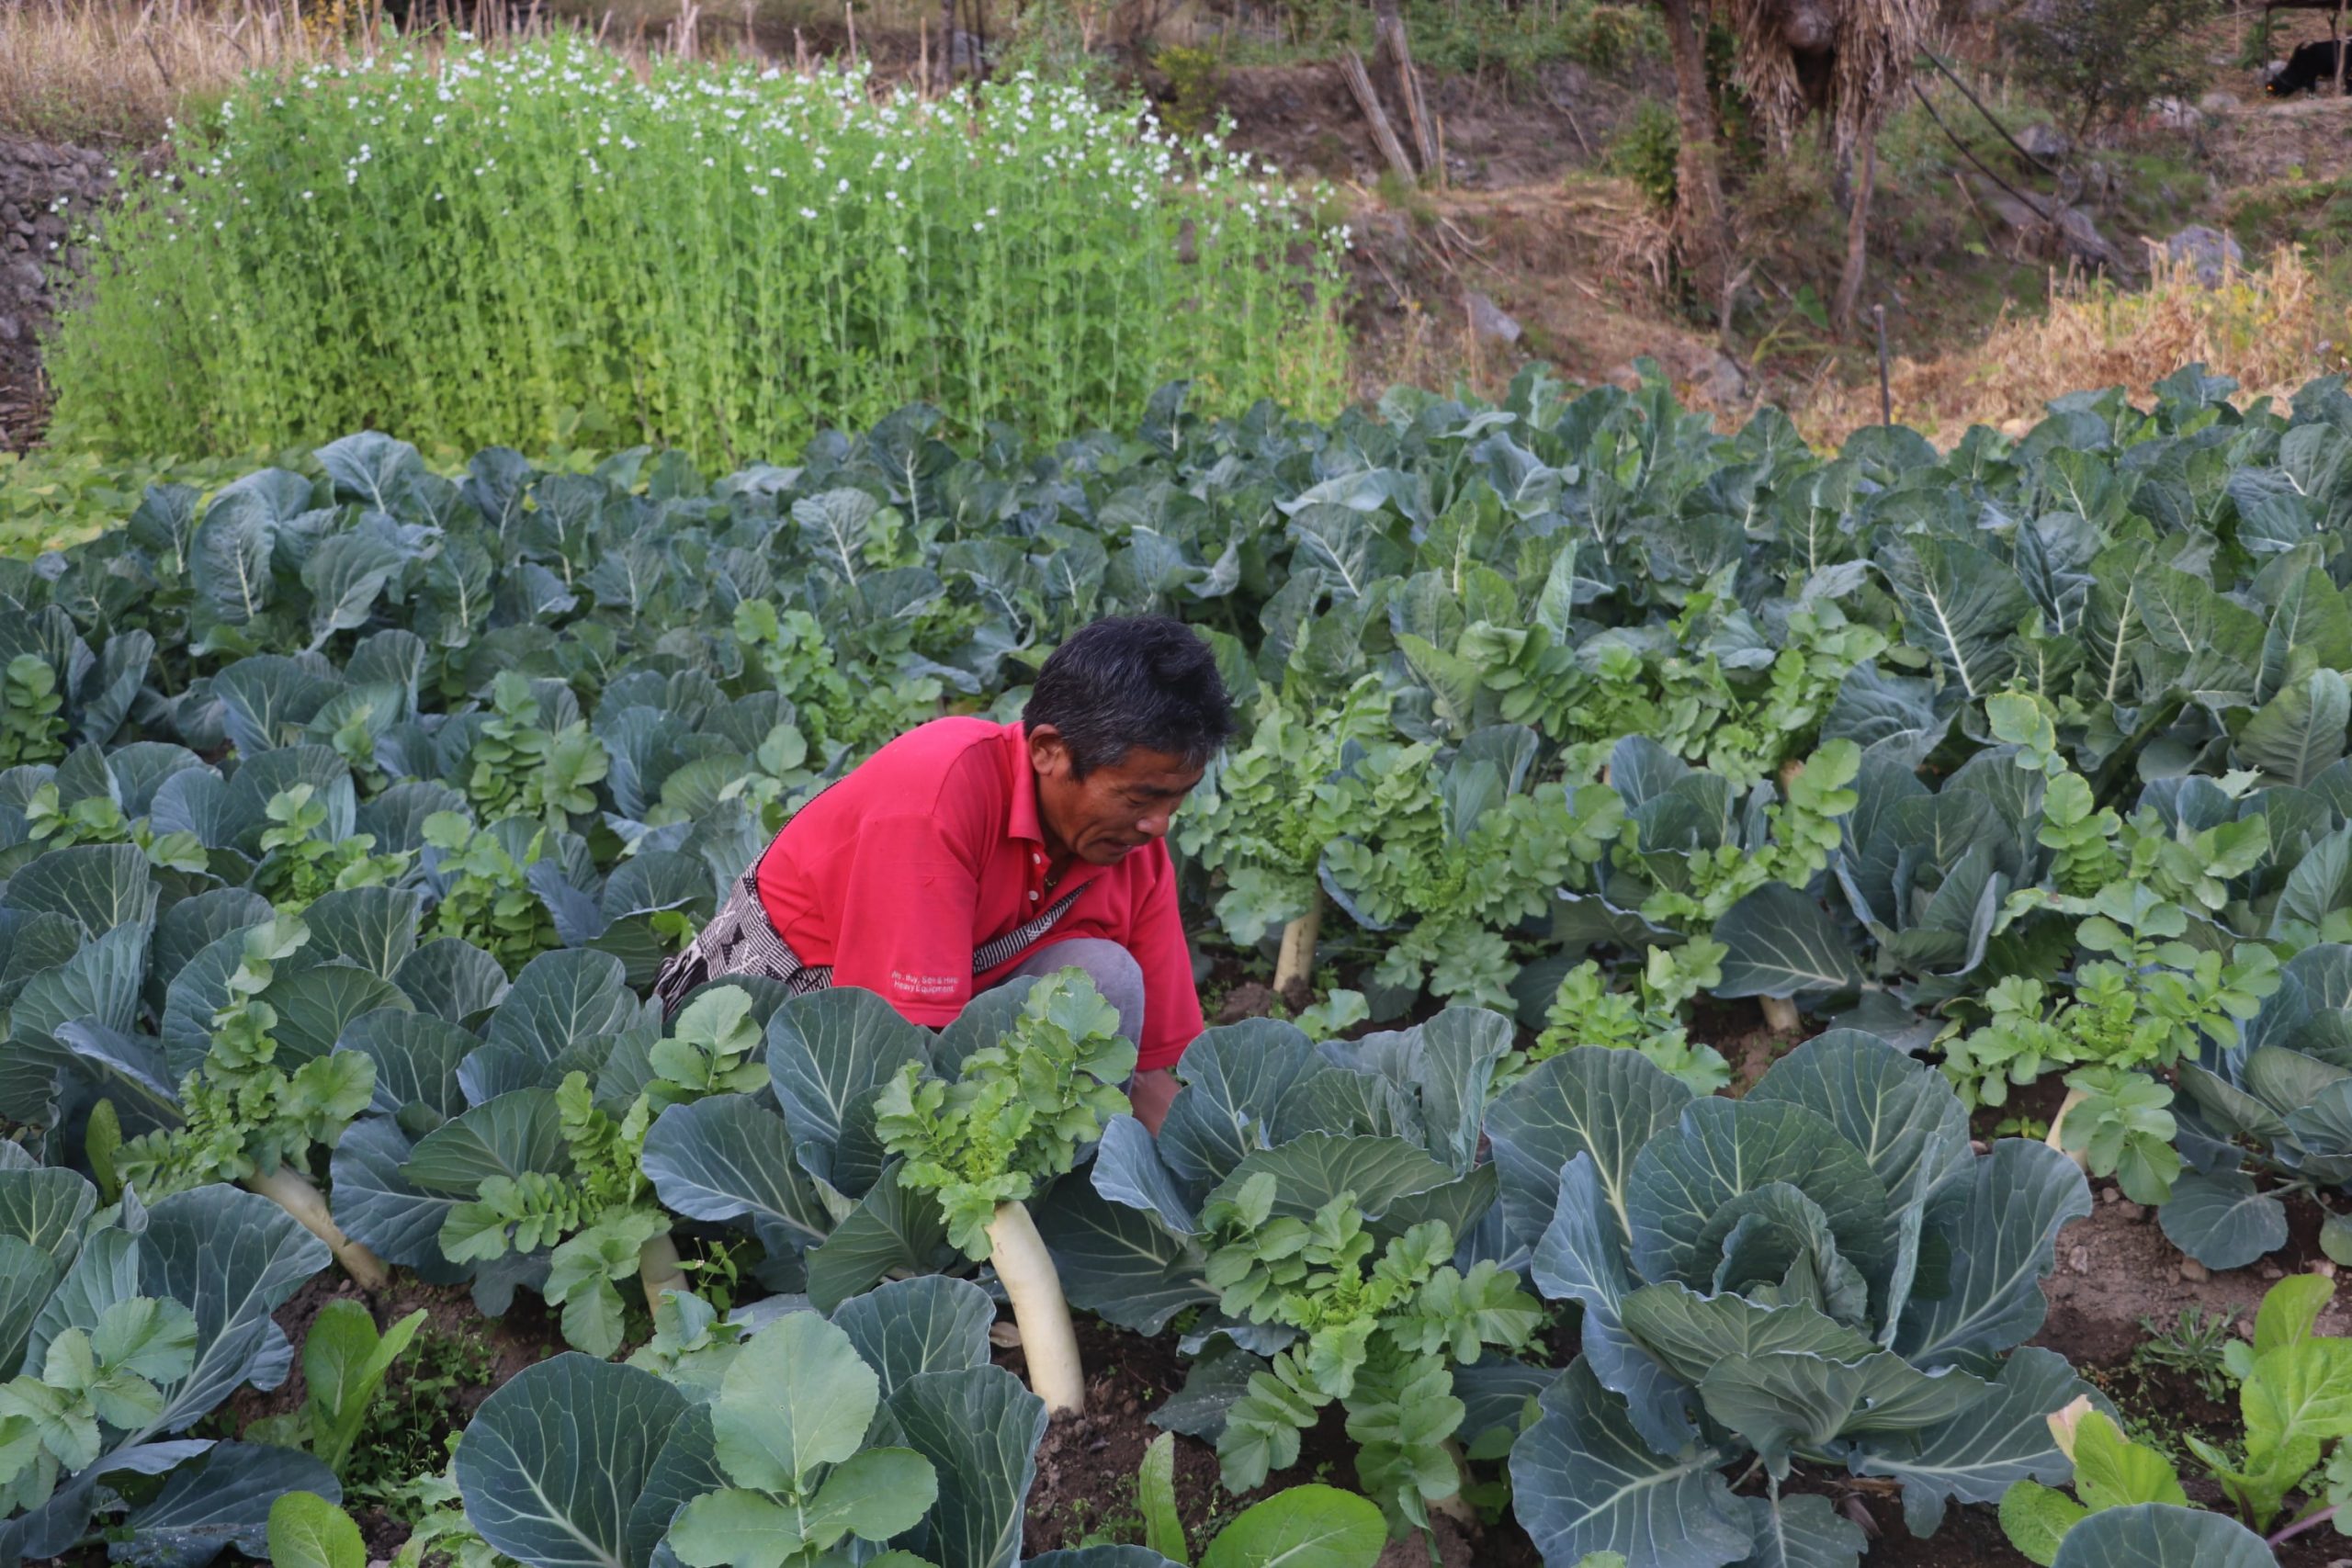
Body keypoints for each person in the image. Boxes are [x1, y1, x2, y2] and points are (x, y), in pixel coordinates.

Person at [654, 615, 1231, 1134]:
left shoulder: (1131, 847)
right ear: (1049, 751)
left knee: (1106, 976)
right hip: (780, 1039)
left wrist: (1215, 1179)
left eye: (1176, 801)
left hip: (940, 1033)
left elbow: (1150, 1076)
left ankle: (1069, 1210)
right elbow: (898, 1063)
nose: (1159, 825)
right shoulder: (937, 794)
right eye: (1140, 797)